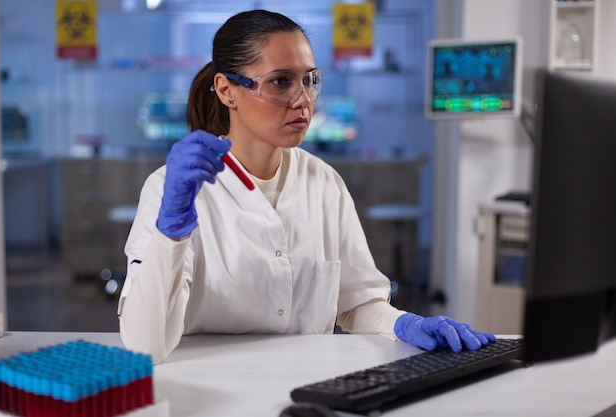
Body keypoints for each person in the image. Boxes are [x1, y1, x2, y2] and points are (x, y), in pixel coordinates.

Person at [117, 9, 495, 364]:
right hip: (210, 388)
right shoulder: (172, 189)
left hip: (307, 384)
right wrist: (170, 234)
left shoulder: (324, 182)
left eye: (310, 80)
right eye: (280, 82)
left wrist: (403, 324)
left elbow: (356, 301)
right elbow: (144, 345)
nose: (303, 100)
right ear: (227, 89)